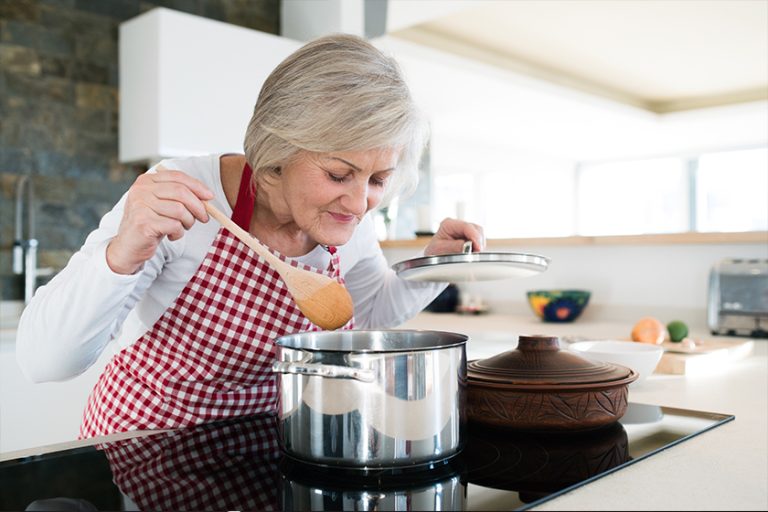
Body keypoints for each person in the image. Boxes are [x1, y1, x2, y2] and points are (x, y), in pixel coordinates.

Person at [16, 34, 485, 439]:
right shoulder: (181, 197)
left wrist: (434, 265)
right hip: (147, 453)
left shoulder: (344, 220)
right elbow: (45, 362)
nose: (360, 203)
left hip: (267, 448)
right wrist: (122, 252)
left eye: (378, 180)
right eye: (339, 174)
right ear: (277, 151)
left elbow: (368, 311)